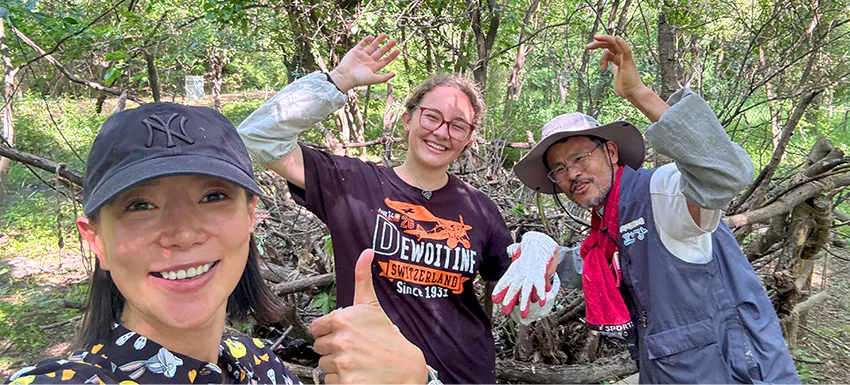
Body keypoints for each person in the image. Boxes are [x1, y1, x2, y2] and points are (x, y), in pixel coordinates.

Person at [6, 103, 425, 384]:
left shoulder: (259, 363)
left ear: (250, 216)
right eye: (140, 205)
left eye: (213, 197)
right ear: (95, 238)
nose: (184, 233)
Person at [238, 34, 559, 384]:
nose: (441, 132)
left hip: (466, 375)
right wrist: (338, 81)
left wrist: (541, 263)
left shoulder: (479, 209)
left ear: (468, 139)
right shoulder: (350, 184)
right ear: (408, 119)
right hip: (372, 376)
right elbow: (256, 139)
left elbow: (525, 308)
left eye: (457, 125)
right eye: (431, 117)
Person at [513, 34, 800, 384]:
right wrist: (549, 256)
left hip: (735, 372)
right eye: (559, 168)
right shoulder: (609, 223)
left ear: (612, 153)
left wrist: (640, 94)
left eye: (580, 157)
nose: (572, 173)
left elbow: (728, 175)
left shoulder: (662, 192)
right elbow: (622, 263)